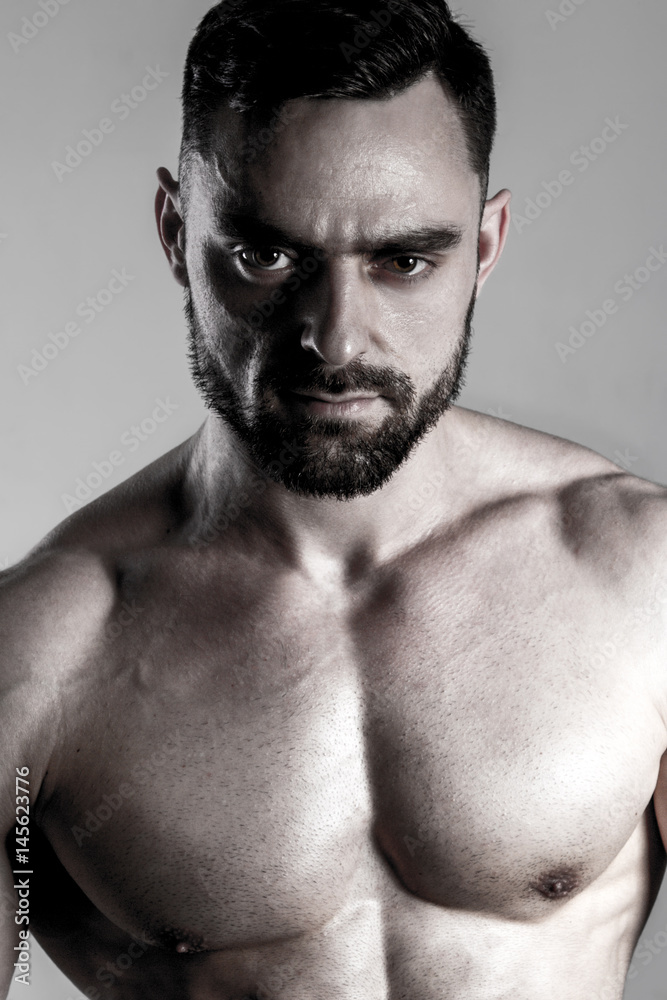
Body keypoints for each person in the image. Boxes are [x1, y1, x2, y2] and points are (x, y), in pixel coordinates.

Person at [1, 0, 666, 997]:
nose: (337, 337)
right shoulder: (40, 656)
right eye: (268, 256)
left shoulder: (642, 578)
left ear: (483, 247)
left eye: (403, 260)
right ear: (178, 232)